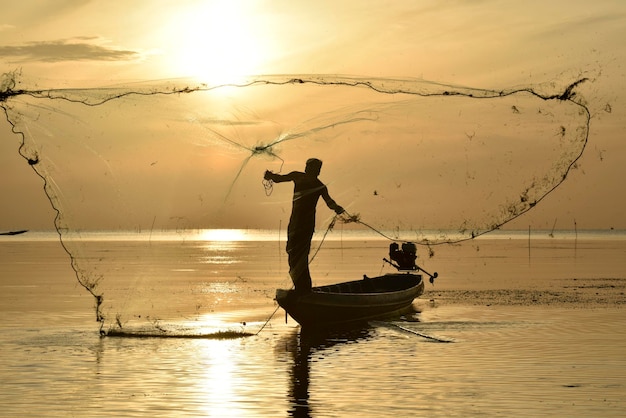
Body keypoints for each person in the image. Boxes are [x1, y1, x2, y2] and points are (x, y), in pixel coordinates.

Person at [264, 158, 344, 293]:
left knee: (297, 254)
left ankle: (303, 288)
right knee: (295, 253)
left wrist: (269, 176)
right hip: (298, 224)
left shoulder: (312, 183)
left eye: (315, 168)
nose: (313, 170)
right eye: (312, 168)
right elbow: (279, 179)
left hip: (301, 225)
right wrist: (270, 176)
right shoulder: (307, 180)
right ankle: (302, 287)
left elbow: (330, 203)